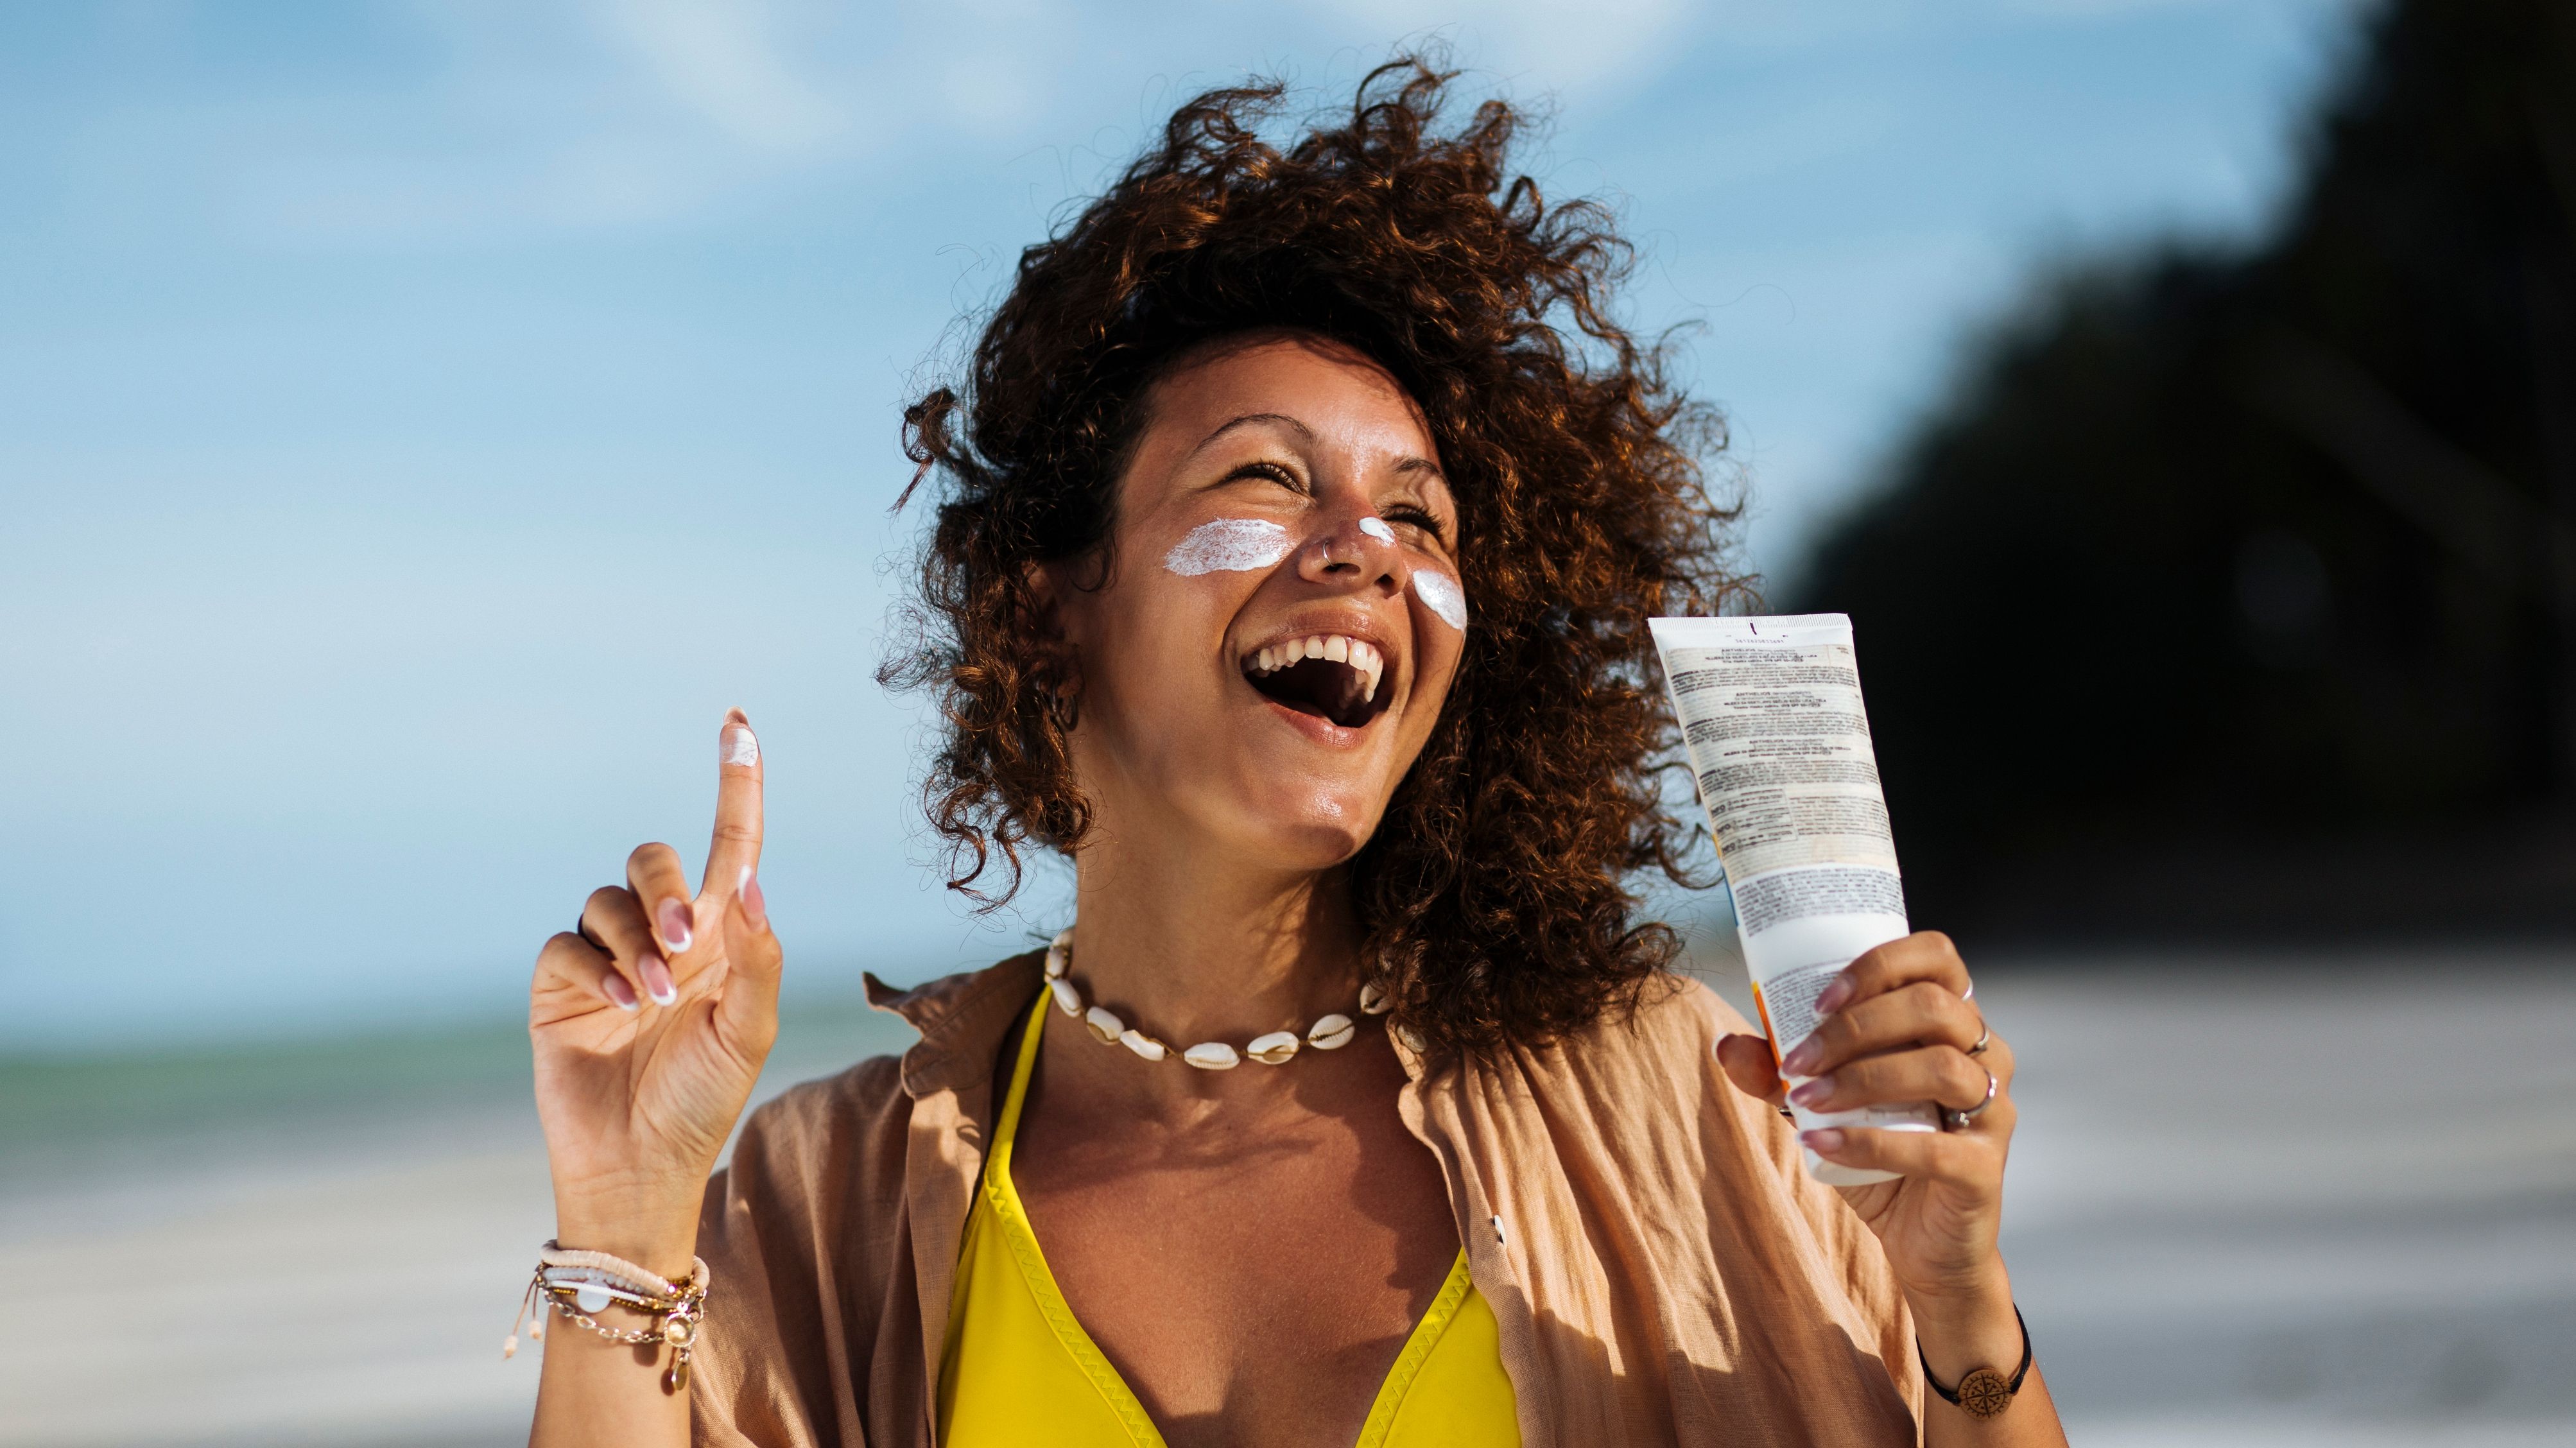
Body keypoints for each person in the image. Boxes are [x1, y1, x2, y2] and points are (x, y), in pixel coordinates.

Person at [521, 61, 2068, 1448]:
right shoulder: (822, 1201)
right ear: (1051, 608)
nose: (1368, 552)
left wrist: (1960, 1310)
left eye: (1421, 517)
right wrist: (623, 1213)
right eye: (1267, 478)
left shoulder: (1675, 1088)